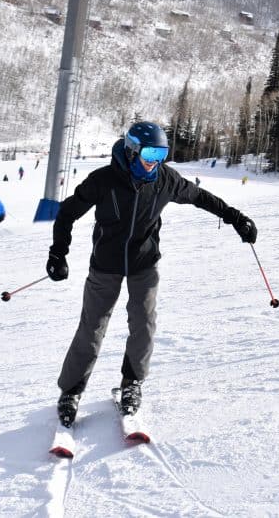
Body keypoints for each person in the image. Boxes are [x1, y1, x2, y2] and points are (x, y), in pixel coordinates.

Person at [46, 121, 258, 428]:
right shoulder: (103, 180)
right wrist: (58, 253)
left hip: (144, 264)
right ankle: (70, 392)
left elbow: (200, 197)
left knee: (144, 324)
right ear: (132, 150)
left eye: (162, 153)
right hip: (105, 265)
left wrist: (234, 217)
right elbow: (67, 212)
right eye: (149, 152)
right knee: (92, 328)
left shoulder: (165, 180)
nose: (155, 160)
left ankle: (131, 384)